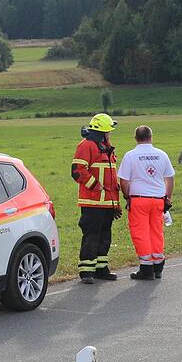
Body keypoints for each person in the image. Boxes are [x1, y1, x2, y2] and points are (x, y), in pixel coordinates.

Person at [117, 125, 175, 281]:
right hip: (158, 200)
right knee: (156, 231)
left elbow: (124, 180)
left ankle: (146, 268)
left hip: (139, 199)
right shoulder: (161, 154)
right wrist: (168, 198)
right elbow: (169, 178)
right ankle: (158, 266)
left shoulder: (130, 156)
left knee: (140, 232)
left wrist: (127, 196)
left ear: (136, 138)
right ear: (151, 137)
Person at [71, 113, 121, 283]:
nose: (110, 134)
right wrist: (95, 185)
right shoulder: (86, 146)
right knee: (91, 236)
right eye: (109, 131)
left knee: (105, 236)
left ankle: (101, 268)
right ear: (102, 131)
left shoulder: (106, 148)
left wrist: (116, 204)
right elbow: (77, 171)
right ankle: (86, 271)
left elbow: (112, 180)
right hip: (92, 202)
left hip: (107, 204)